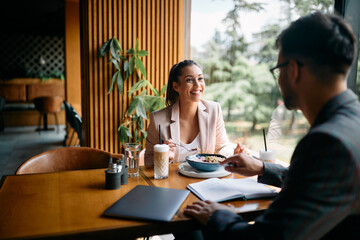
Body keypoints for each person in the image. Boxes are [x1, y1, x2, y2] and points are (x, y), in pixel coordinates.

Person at [184, 12, 360, 239]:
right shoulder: (351, 123)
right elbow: (319, 178)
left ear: (294, 70)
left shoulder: (326, 141)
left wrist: (217, 215)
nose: (278, 80)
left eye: (278, 70)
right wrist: (262, 168)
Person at [145, 60, 243, 166]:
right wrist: (163, 156)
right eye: (189, 80)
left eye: (200, 78)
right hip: (173, 181)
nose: (197, 85)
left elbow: (221, 147)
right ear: (176, 86)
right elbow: (148, 161)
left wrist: (233, 154)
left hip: (205, 180)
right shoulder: (158, 119)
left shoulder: (214, 110)